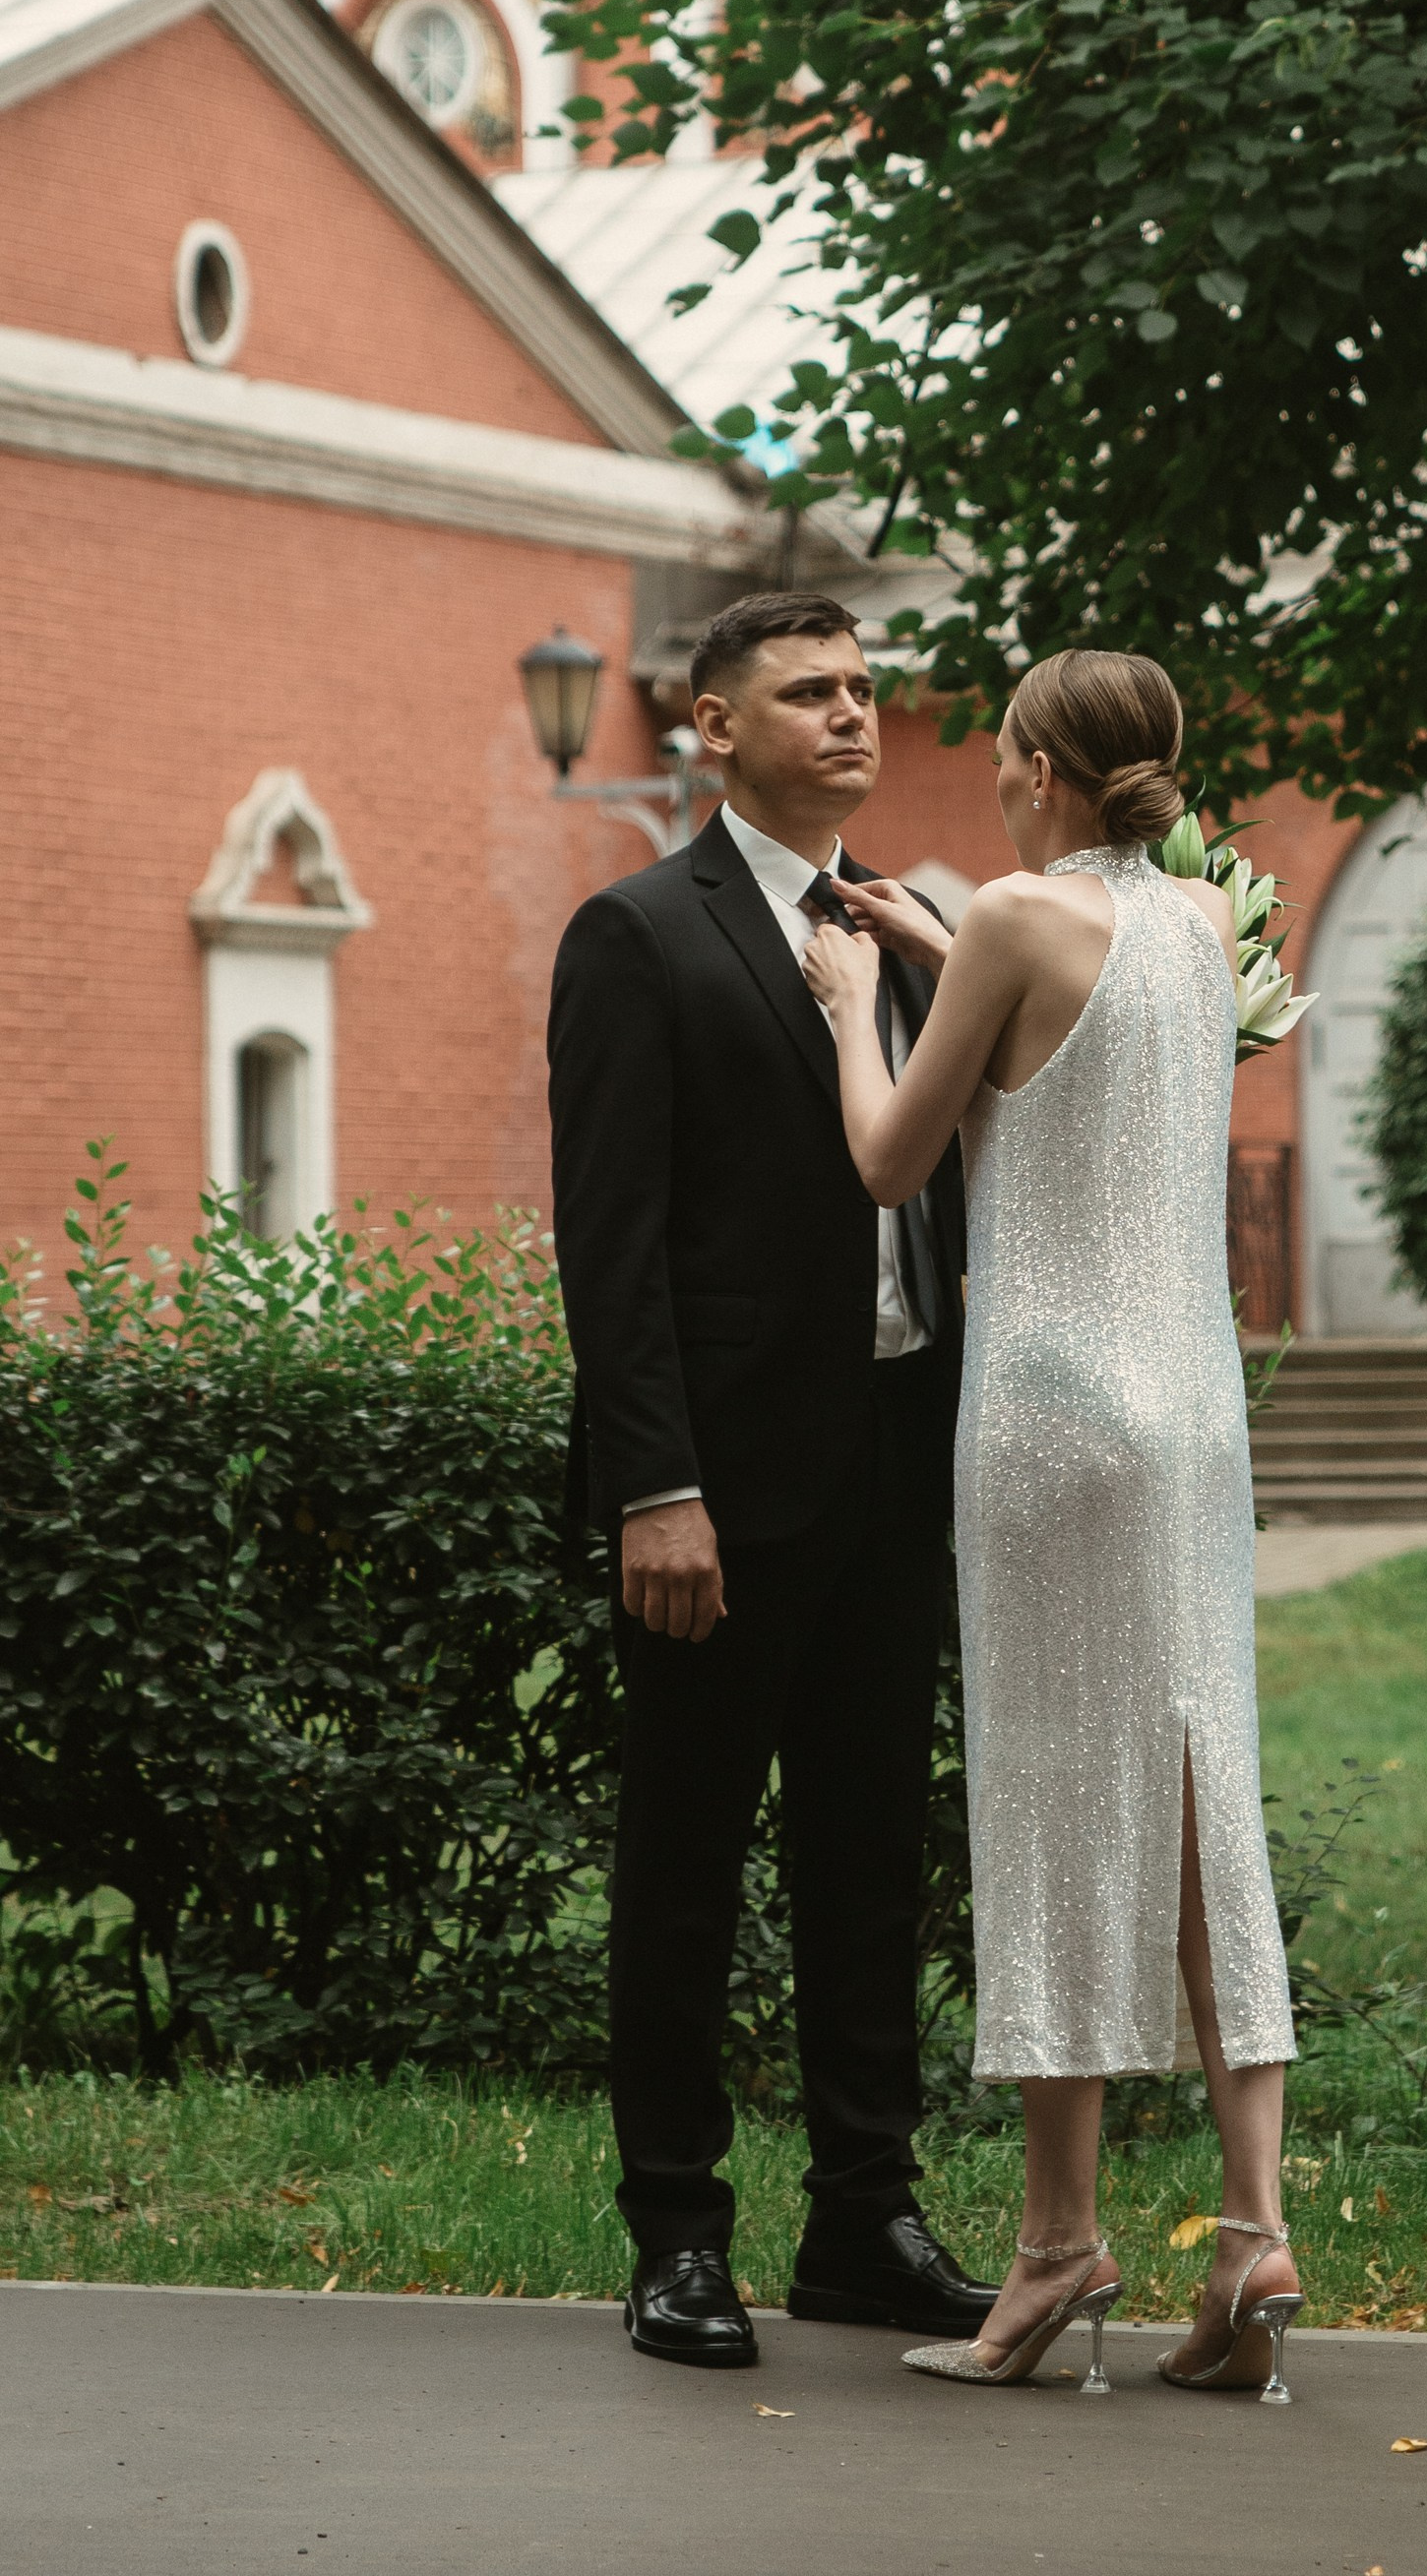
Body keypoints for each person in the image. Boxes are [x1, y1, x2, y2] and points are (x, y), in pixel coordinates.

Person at [801, 646, 1304, 2403]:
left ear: (1034, 767)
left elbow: (890, 1156)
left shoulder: (1013, 913)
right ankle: (1253, 2231)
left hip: (1045, 1417)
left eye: (1006, 753)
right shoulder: (1201, 932)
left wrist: (844, 996)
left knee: (1048, 1801)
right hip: (1193, 1421)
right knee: (1198, 1785)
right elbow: (1080, 1058)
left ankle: (1053, 2249)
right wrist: (952, 956)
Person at [547, 588, 999, 2370]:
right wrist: (658, 1487)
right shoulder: (637, 934)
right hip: (721, 1497)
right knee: (682, 1863)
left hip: (897, 1473)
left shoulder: (911, 925)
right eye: (808, 693)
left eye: (865, 690)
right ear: (711, 726)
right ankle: (675, 2233)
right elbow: (617, 1246)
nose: (852, 717)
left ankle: (862, 2222)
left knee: (869, 1858)